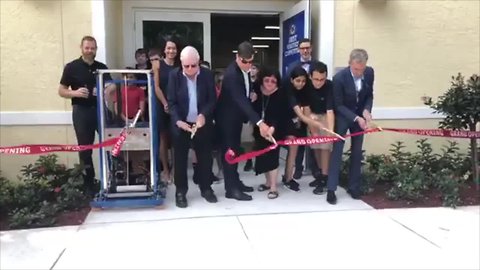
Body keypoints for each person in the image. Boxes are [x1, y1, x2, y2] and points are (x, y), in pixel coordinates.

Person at [215, 41, 274, 201]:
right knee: (230, 153)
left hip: (236, 118)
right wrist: (260, 123)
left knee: (236, 151)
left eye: (250, 62)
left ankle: (235, 182)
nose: (248, 65)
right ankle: (231, 189)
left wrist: (252, 94)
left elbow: (246, 90)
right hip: (226, 120)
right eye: (244, 61)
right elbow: (240, 100)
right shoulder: (232, 74)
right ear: (237, 57)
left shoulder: (245, 70)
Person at [58, 36, 115, 194]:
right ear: (81, 48)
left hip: (99, 110)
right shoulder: (71, 67)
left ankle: (113, 179)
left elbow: (111, 85)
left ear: (96, 49)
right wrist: (75, 92)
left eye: (93, 48)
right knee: (85, 149)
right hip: (81, 111)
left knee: (111, 144)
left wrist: (105, 90)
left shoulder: (101, 67)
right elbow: (61, 90)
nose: (90, 51)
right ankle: (89, 185)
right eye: (87, 48)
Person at [167, 46, 218, 208]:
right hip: (182, 124)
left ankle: (206, 188)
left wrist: (203, 114)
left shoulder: (208, 75)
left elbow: (212, 100)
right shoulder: (173, 76)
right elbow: (172, 102)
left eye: (193, 66)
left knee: (205, 158)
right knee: (180, 160)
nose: (190, 69)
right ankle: (180, 191)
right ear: (181, 64)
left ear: (199, 62)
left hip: (201, 123)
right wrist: (178, 121)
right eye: (186, 66)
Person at [326, 48, 374, 204]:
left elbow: (369, 95)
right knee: (337, 151)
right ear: (349, 64)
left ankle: (353, 187)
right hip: (344, 117)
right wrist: (356, 118)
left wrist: (367, 111)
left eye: (362, 69)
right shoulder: (339, 78)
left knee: (357, 152)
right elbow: (338, 105)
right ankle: (331, 189)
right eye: (355, 69)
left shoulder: (370, 73)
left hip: (360, 117)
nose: (359, 72)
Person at [281, 66, 324, 192]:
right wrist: (316, 124)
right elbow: (299, 114)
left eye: (303, 81)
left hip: (300, 124)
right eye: (298, 81)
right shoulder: (288, 90)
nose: (301, 84)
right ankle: (288, 179)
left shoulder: (306, 91)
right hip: (286, 121)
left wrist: (313, 128)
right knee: (293, 149)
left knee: (297, 149)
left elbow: (306, 111)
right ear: (291, 80)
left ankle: (289, 176)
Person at [285, 38, 322, 181]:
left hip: (314, 106)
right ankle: (298, 169)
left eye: (307, 48)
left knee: (314, 139)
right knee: (299, 139)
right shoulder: (292, 66)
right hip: (297, 108)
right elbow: (290, 89)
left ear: (311, 48)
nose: (305, 51)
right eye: (302, 48)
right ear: (299, 50)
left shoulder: (317, 65)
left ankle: (315, 169)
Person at [252, 67, 290, 199]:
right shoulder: (257, 91)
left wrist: (272, 128)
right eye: (267, 80)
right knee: (262, 156)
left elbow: (281, 114)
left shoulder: (281, 93)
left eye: (273, 81)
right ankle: (268, 182)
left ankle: (274, 187)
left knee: (273, 157)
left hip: (275, 129)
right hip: (259, 128)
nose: (269, 83)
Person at [150, 39, 179, 184]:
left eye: (174, 48)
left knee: (176, 139)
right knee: (163, 138)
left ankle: (175, 171)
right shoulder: (158, 65)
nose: (171, 51)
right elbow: (156, 87)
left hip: (176, 106)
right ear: (164, 50)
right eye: (168, 48)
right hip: (161, 104)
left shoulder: (180, 66)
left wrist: (173, 105)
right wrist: (165, 103)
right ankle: (166, 171)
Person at [307, 62, 335, 195]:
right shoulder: (306, 86)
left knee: (325, 147)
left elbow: (330, 111)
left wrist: (330, 131)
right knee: (316, 147)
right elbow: (305, 109)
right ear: (310, 77)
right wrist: (313, 129)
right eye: (316, 79)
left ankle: (324, 177)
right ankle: (319, 174)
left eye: (322, 79)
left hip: (325, 117)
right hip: (311, 117)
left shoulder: (330, 86)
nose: (319, 82)